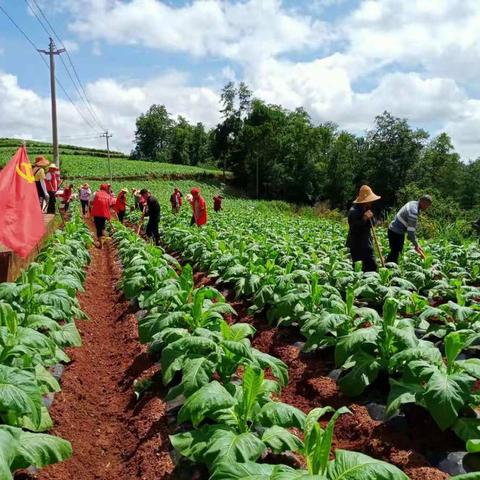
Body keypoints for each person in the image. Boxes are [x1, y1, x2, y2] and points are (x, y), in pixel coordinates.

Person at [386, 195, 433, 263]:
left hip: (394, 229)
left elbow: (409, 227)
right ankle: (387, 268)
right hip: (396, 232)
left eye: (428, 206)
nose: (426, 208)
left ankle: (387, 265)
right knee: (395, 253)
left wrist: (413, 240)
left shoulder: (413, 203)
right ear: (422, 201)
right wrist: (416, 245)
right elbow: (411, 231)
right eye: (426, 205)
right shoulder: (413, 211)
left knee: (396, 252)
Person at [346, 185, 381, 272]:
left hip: (366, 243)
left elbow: (372, 224)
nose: (371, 202)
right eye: (370, 200)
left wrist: (371, 218)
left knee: (372, 267)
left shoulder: (366, 208)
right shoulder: (353, 211)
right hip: (357, 244)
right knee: (359, 268)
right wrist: (364, 218)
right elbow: (354, 228)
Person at [91, 184, 115, 248]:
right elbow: (111, 204)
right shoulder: (108, 196)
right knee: (102, 227)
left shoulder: (96, 193)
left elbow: (91, 202)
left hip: (96, 213)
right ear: (106, 188)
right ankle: (102, 241)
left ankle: (100, 243)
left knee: (98, 228)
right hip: (104, 214)